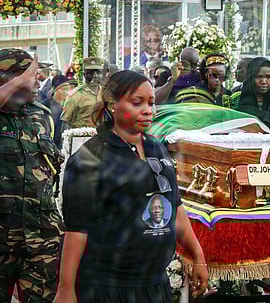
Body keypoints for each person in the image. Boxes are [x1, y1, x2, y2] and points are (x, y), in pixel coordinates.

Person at [55, 70, 208, 302]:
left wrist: (198, 255)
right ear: (112, 105)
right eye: (137, 103)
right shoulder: (90, 159)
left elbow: (174, 208)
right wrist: (66, 289)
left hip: (155, 285)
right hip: (106, 287)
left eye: (151, 102)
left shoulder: (157, 148)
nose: (148, 110)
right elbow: (77, 230)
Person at [0, 48, 64, 302]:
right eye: (32, 74)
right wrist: (18, 81)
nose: (39, 79)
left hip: (41, 240)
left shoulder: (42, 114)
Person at [61, 57, 104, 129]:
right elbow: (66, 122)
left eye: (98, 72)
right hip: (82, 137)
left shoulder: (106, 93)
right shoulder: (75, 95)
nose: (95, 76)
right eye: (91, 73)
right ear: (85, 75)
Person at [236, 57, 270, 122]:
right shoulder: (236, 101)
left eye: (268, 77)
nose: (264, 81)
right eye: (259, 76)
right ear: (251, 78)